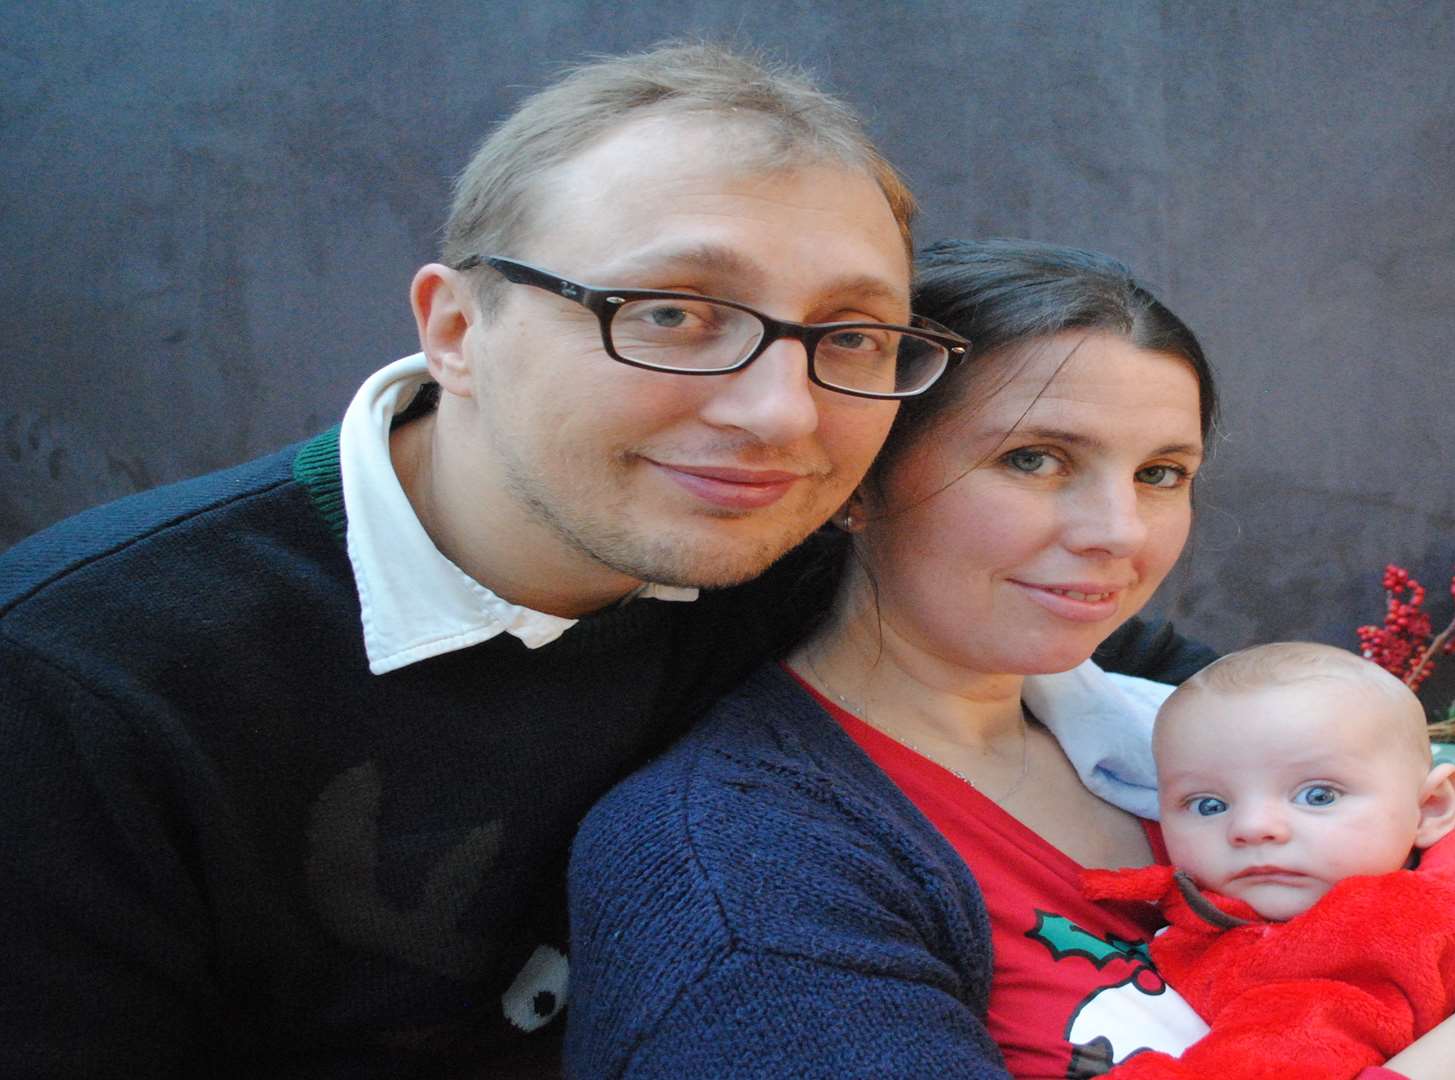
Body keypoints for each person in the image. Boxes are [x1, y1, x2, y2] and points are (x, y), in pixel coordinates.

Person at [0, 44, 1195, 1077]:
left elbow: (1092, 631)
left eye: (851, 336)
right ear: (459, 330)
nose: (781, 414)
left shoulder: (772, 538)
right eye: (674, 312)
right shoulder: (85, 680)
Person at [565, 240, 1455, 1080]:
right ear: (857, 478)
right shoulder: (731, 857)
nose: (1118, 533)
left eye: (1163, 473)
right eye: (1036, 460)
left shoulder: (1182, 745)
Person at [1081, 642, 1455, 1080]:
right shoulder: (1444, 871)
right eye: (1207, 803)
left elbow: (1284, 1053)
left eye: (1318, 795)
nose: (1253, 827)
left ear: (1430, 807)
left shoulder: (1381, 927)